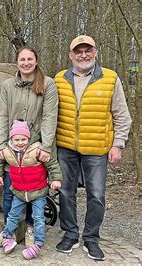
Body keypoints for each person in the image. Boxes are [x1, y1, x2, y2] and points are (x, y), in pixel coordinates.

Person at [54, 35, 132, 261]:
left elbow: (121, 115)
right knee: (65, 192)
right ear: (70, 55)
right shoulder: (59, 79)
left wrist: (118, 144)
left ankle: (91, 239)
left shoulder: (110, 78)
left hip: (97, 148)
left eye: (88, 50)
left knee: (96, 195)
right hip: (66, 146)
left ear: (95, 52)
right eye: (78, 51)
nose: (83, 55)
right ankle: (70, 234)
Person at [0, 47, 59, 247]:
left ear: (36, 61)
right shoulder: (8, 85)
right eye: (23, 59)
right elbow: (2, 115)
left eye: (30, 59)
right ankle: (8, 232)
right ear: (17, 62)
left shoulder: (47, 84)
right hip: (12, 148)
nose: (26, 62)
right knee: (9, 191)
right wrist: (1, 146)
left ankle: (31, 229)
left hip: (35, 148)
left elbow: (49, 116)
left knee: (34, 192)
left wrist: (46, 147)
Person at [0, 120, 61, 259]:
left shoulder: (37, 150)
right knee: (13, 215)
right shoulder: (7, 150)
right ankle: (7, 237)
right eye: (17, 139)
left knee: (38, 218)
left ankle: (38, 244)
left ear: (28, 138)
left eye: (23, 139)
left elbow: (52, 163)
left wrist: (56, 179)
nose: (20, 142)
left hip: (38, 192)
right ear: (11, 139)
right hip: (19, 191)